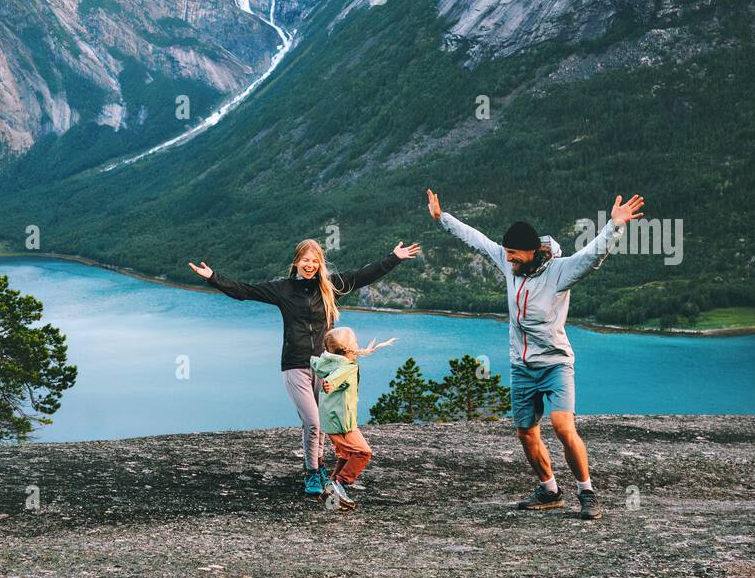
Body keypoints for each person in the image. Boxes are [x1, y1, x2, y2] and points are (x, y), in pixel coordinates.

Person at [426, 188, 645, 520]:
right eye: (507, 253)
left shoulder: (559, 271)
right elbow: (476, 239)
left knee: (562, 425)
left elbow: (593, 255)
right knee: (526, 432)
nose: (509, 258)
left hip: (555, 364)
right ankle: (550, 490)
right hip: (522, 366)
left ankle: (586, 491)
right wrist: (442, 218)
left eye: (514, 254)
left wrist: (615, 225)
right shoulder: (509, 263)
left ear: (531, 251)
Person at [189, 238, 421, 495]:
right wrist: (213, 277)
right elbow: (245, 291)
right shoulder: (283, 289)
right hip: (295, 364)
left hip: (326, 365)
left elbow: (365, 274)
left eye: (314, 261)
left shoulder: (330, 286)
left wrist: (394, 258)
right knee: (313, 422)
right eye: (305, 260)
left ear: (320, 263)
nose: (310, 265)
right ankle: (312, 472)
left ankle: (317, 466)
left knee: (321, 423)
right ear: (296, 262)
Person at [311, 327, 395, 511]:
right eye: (355, 341)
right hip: (342, 423)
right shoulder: (347, 367)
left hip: (332, 420)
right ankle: (339, 483)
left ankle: (330, 496)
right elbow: (335, 378)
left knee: (346, 456)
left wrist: (329, 382)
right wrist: (329, 384)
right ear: (348, 348)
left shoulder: (329, 363)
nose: (357, 344)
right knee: (363, 452)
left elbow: (325, 370)